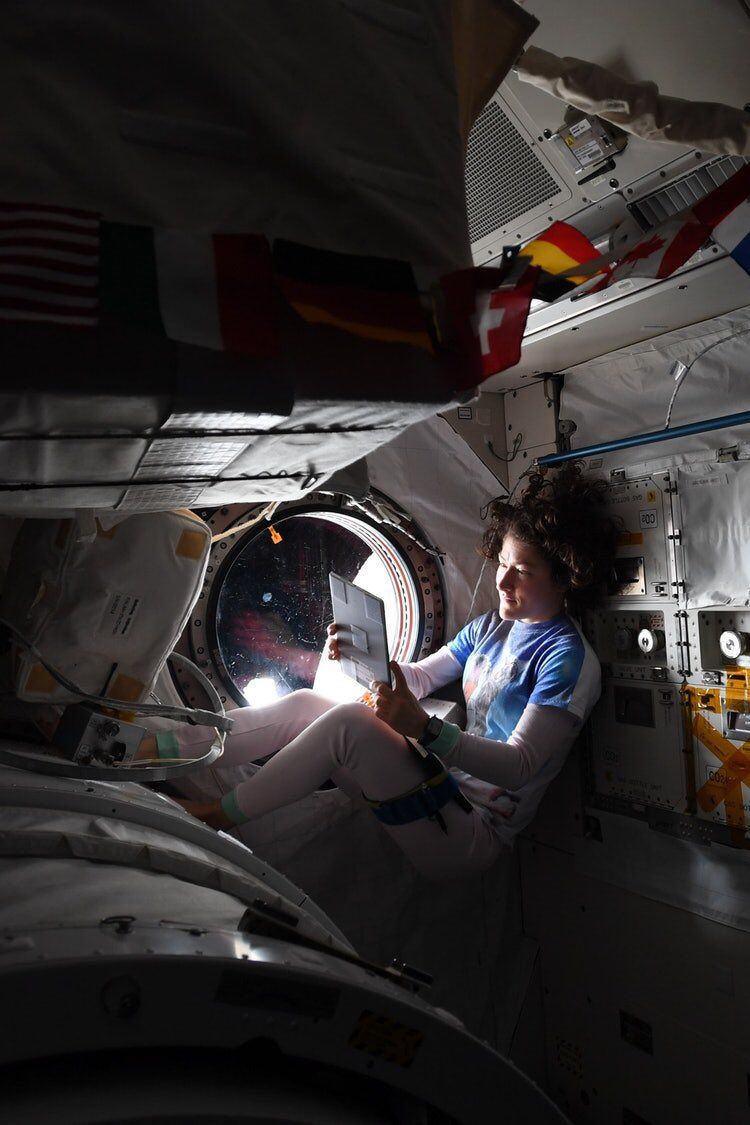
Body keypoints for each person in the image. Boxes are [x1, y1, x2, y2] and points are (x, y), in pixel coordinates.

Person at [162, 465, 620, 880]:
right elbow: (417, 678)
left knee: (349, 722)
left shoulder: (568, 659)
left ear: (565, 578)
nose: (502, 582)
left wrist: (424, 728)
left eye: (521, 571)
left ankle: (216, 815)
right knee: (308, 705)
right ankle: (156, 749)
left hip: (469, 829)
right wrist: (366, 654)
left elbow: (520, 767)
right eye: (501, 563)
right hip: (433, 787)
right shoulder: (492, 628)